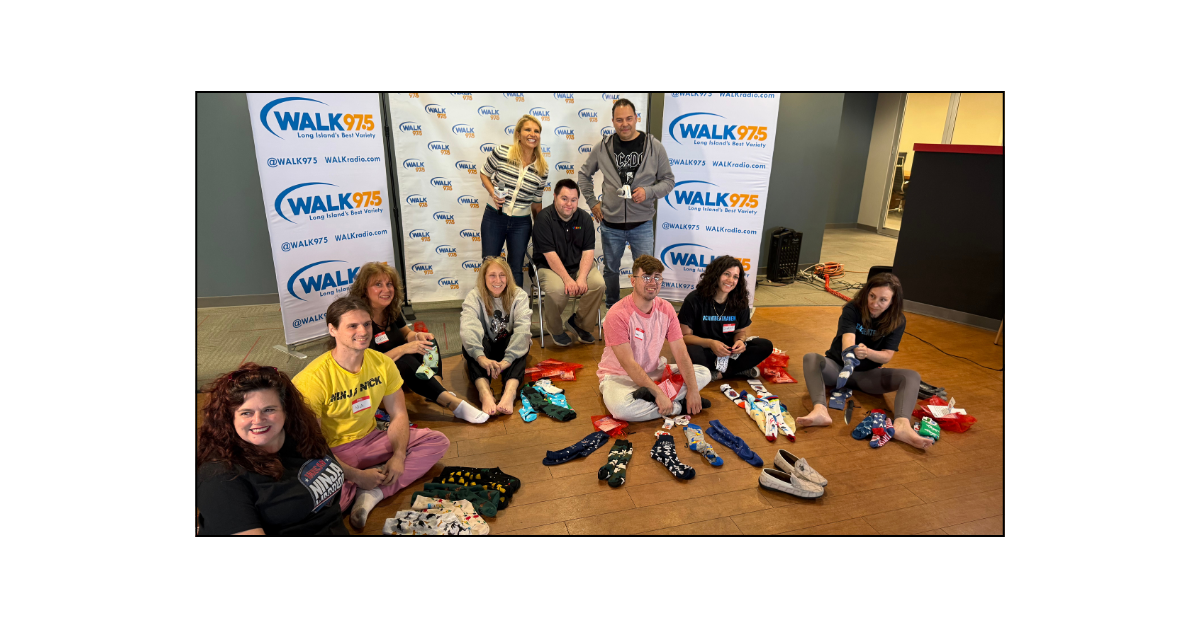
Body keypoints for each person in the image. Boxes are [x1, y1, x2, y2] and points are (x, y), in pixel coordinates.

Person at [293, 297, 452, 528]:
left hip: (371, 439)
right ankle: (363, 483)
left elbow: (398, 414)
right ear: (332, 329)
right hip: (332, 451)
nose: (363, 331)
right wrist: (355, 475)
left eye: (367, 324)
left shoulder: (381, 363)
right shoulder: (312, 379)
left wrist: (398, 455)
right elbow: (313, 445)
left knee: (436, 441)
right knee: (331, 505)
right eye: (352, 326)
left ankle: (373, 493)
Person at [197, 364, 348, 536]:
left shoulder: (301, 434)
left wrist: (359, 476)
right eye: (246, 413)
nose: (258, 420)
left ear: (286, 410)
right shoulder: (220, 478)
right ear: (230, 418)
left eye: (269, 410)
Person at [798, 273, 933, 450]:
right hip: (838, 369)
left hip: (868, 375)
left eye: (883, 300)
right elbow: (848, 340)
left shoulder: (898, 321)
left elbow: (886, 356)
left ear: (893, 301)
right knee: (811, 358)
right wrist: (851, 354)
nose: (875, 303)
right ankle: (820, 410)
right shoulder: (852, 309)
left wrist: (867, 353)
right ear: (866, 293)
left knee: (912, 376)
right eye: (872, 296)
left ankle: (901, 426)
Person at [349, 261, 489, 423]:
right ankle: (454, 405)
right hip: (371, 376)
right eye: (378, 284)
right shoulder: (359, 320)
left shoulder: (390, 309)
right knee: (405, 360)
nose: (386, 290)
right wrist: (405, 349)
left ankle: (437, 390)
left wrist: (416, 337)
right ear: (364, 290)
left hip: (397, 367)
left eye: (389, 284)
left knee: (428, 342)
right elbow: (366, 363)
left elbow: (406, 333)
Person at [577, 98, 675, 308]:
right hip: (611, 225)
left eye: (629, 118)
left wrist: (648, 192)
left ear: (636, 118)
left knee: (647, 272)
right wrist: (593, 203)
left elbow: (668, 181)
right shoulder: (603, 147)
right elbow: (584, 175)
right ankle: (612, 308)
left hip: (642, 224)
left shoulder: (654, 146)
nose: (625, 124)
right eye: (619, 120)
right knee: (611, 270)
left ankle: (644, 308)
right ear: (613, 121)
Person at [596, 254, 712, 421]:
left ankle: (652, 396)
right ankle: (678, 405)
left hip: (654, 371)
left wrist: (693, 391)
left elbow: (680, 352)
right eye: (646, 277)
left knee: (703, 373)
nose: (653, 282)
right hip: (620, 377)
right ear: (633, 280)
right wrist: (659, 393)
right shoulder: (616, 314)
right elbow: (628, 364)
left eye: (657, 277)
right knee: (621, 410)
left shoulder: (667, 308)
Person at [478, 114, 551, 288]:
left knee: (515, 268)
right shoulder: (502, 152)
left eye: (536, 131)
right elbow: (484, 173)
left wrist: (539, 229)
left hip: (521, 224)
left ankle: (515, 311)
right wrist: (493, 193)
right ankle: (488, 309)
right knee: (490, 265)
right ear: (518, 134)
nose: (532, 134)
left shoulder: (542, 168)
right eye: (527, 129)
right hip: (494, 218)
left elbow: (536, 203)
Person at [531, 179, 605, 346]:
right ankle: (555, 329)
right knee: (558, 289)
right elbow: (550, 256)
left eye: (573, 200)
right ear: (555, 197)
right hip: (548, 267)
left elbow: (588, 252)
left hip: (578, 267)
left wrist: (582, 278)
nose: (569, 204)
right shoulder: (544, 218)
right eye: (564, 199)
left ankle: (579, 324)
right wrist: (567, 279)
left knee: (598, 284)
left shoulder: (585, 219)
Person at [679, 255, 774, 380]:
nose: (731, 280)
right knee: (690, 352)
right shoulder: (694, 299)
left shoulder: (740, 300)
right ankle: (736, 370)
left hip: (728, 352)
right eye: (727, 274)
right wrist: (711, 343)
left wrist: (739, 341)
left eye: (735, 277)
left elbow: (740, 331)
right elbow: (684, 338)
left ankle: (718, 374)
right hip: (704, 349)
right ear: (716, 275)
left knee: (765, 345)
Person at [459, 256, 532, 416]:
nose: (497, 280)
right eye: (492, 275)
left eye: (502, 275)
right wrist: (480, 357)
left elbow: (523, 329)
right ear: (484, 278)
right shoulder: (475, 296)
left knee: (522, 341)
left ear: (508, 277)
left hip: (507, 346)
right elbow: (468, 327)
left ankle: (510, 391)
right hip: (487, 348)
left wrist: (508, 359)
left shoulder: (519, 295)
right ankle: (484, 392)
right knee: (470, 345)